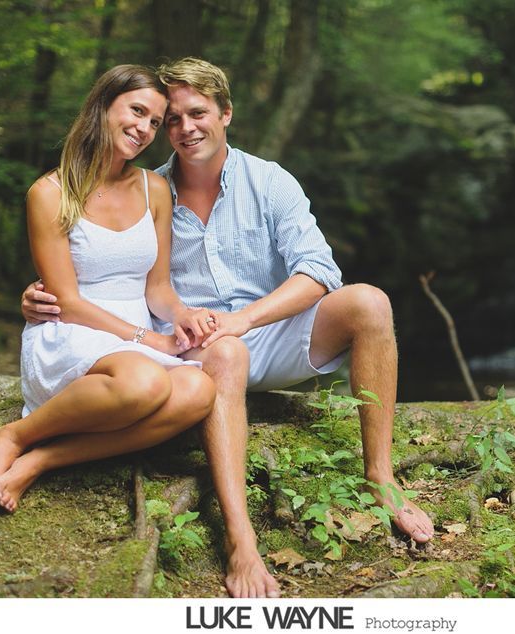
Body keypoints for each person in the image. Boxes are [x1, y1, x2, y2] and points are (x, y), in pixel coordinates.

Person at [22, 58, 434, 598]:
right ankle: (241, 541)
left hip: (269, 331)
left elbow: (319, 272)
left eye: (198, 113)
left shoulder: (268, 180)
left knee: (370, 303)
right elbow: (118, 277)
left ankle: (380, 475)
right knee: (225, 354)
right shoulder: (147, 189)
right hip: (196, 350)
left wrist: (246, 318)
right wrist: (38, 297)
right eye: (172, 119)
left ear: (226, 114)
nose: (184, 128)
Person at [0, 65, 215, 517]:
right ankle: (13, 434)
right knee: (144, 382)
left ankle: (42, 459)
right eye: (137, 111)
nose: (144, 129)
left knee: (199, 390)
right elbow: (66, 301)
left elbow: (157, 288)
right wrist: (145, 339)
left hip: (132, 341)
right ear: (103, 106)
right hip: (71, 331)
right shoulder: (49, 192)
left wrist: (180, 314)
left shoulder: (155, 188)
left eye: (155, 122)